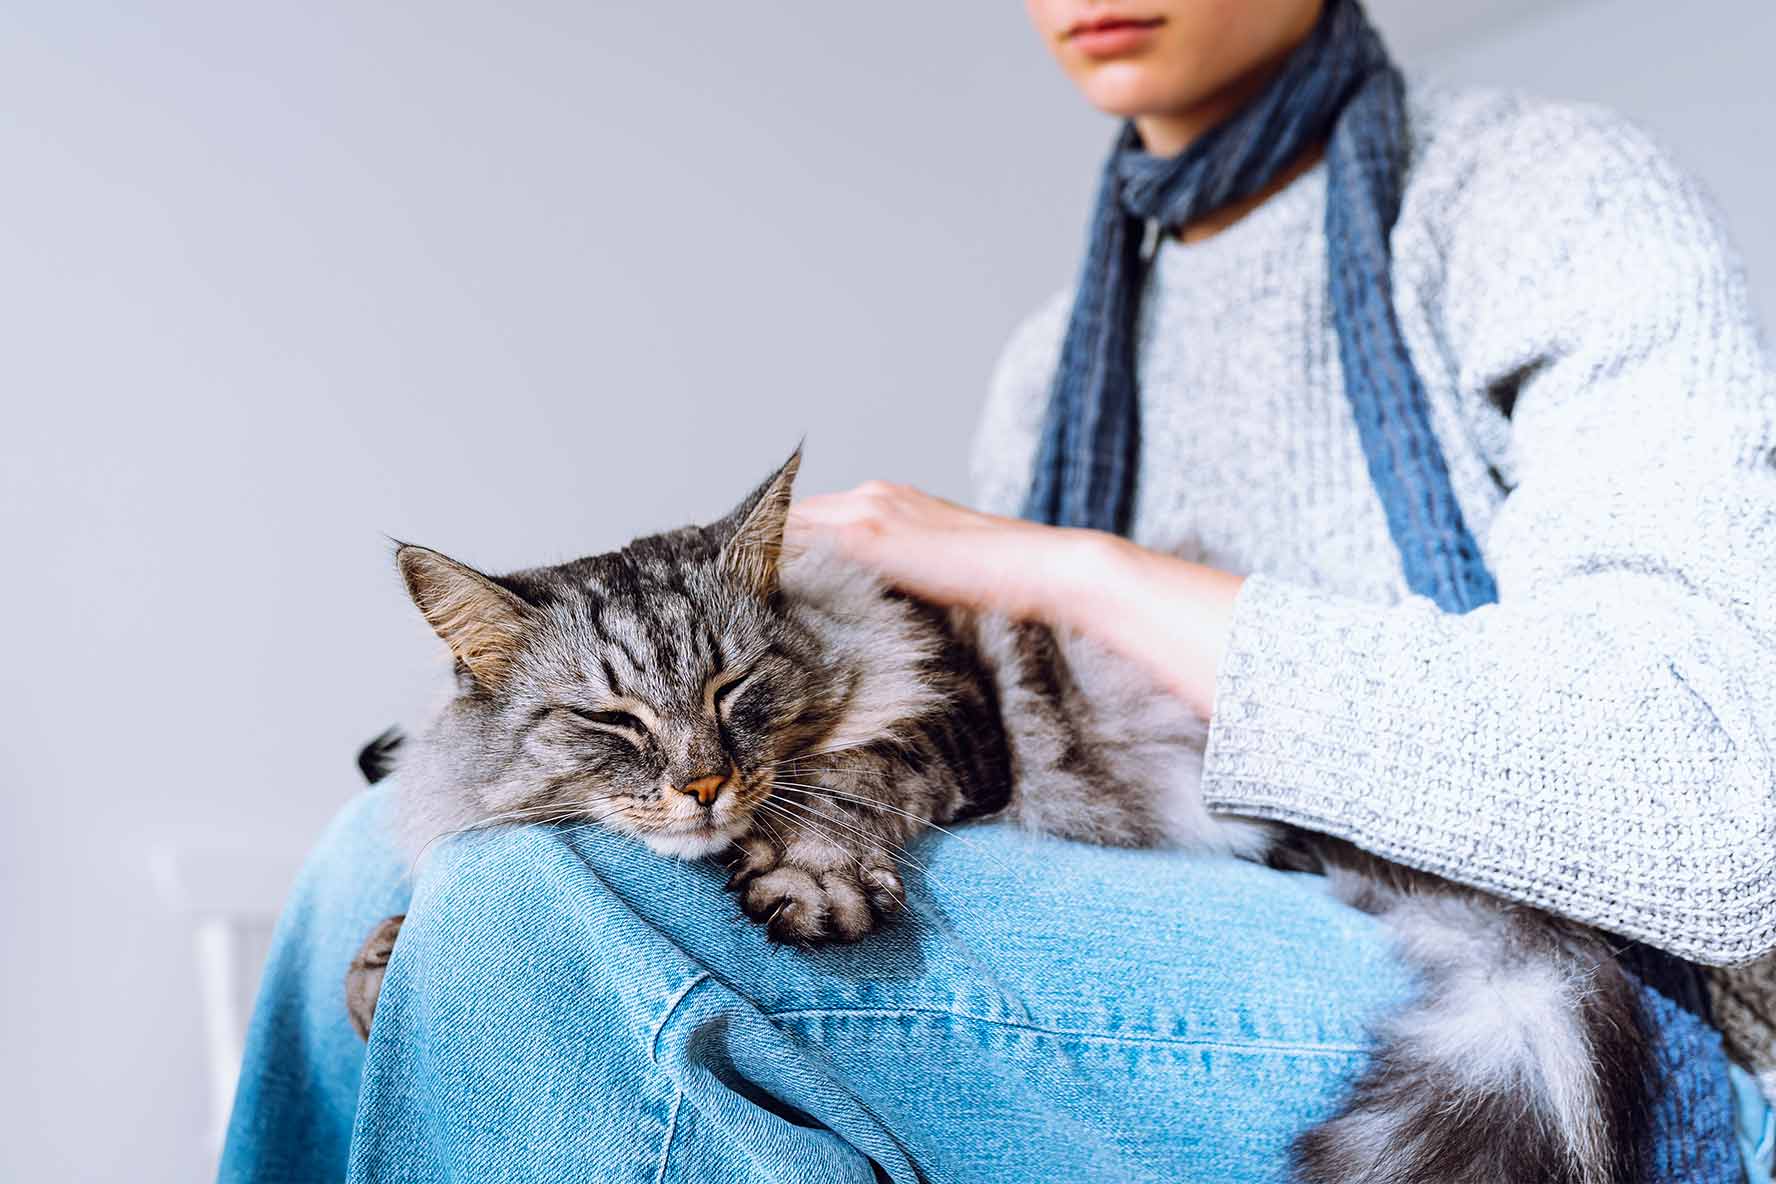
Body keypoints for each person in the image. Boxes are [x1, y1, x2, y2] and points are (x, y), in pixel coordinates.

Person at [221, 1, 1776, 1180]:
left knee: (529, 902)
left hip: (1571, 978)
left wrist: (1067, 569)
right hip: (1192, 893)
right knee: (380, 851)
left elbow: (1720, 814)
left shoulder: (1539, 194)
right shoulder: (1063, 355)